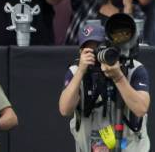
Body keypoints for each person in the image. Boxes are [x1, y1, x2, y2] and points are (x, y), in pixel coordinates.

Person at [60, 23, 150, 151]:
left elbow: (141, 109)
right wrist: (81, 71)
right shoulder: (76, 72)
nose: (96, 56)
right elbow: (64, 110)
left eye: (98, 48)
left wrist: (118, 77)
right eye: (89, 51)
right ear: (81, 52)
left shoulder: (132, 68)